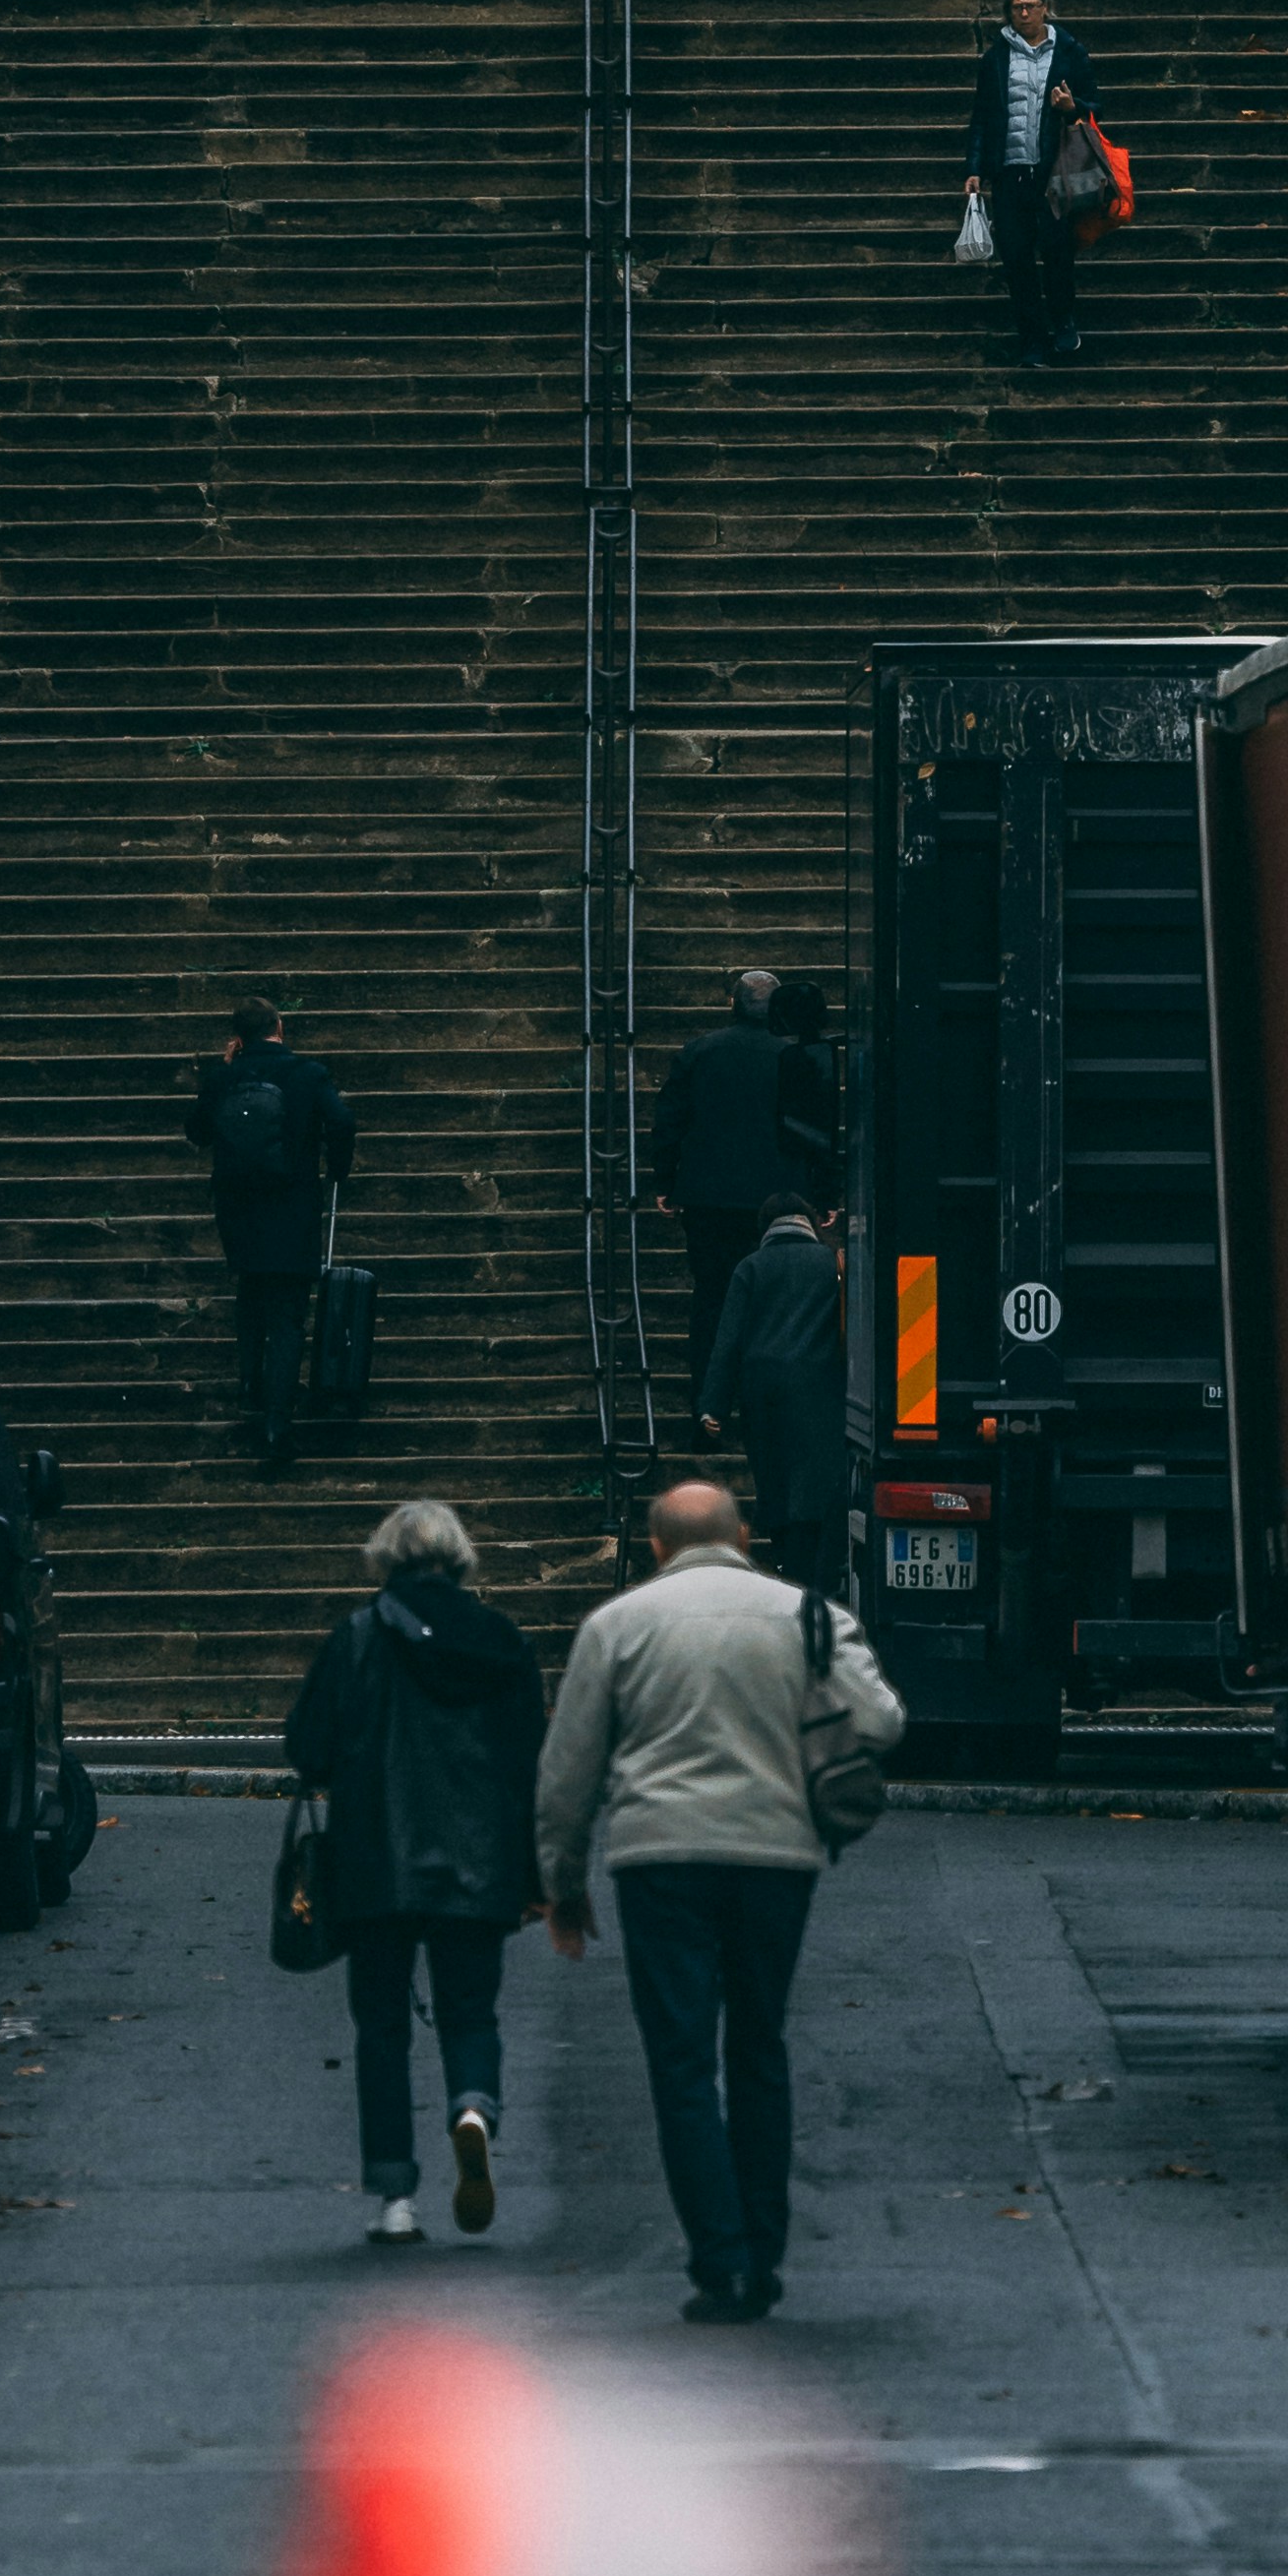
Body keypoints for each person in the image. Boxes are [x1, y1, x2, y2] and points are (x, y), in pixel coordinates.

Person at [535, 1480, 902, 2322]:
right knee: (759, 2044)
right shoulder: (807, 1614)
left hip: (657, 1855)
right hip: (777, 1851)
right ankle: (765, 2251)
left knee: (681, 2059)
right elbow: (881, 1721)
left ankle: (721, 2260)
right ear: (743, 1534)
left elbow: (567, 1773)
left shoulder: (616, 1626)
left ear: (658, 1546)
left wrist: (561, 1881)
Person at [280, 1500, 546, 2249]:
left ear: (385, 1558)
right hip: (480, 1861)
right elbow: (531, 1763)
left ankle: (395, 2198)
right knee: (470, 2011)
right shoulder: (500, 1640)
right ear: (460, 1559)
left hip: (376, 1861)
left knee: (382, 2027)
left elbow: (308, 1746)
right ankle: (472, 2106)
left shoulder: (359, 1637)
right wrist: (536, 1875)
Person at [188, 993, 356, 1474]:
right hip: (292, 1207)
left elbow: (197, 1132)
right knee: (286, 1315)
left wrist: (228, 1071)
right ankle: (277, 1423)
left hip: (237, 1210)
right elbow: (342, 1121)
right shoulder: (307, 1073)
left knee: (251, 1292)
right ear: (279, 1027)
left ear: (238, 1038)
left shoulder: (223, 1076)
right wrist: (336, 1170)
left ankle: (250, 1385)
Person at [644, 965, 818, 1396]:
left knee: (711, 1302)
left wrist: (665, 1179)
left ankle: (705, 1411)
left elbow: (669, 1122)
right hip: (778, 1203)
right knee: (778, 1306)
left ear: (731, 1004)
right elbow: (817, 1131)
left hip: (709, 1200)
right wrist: (824, 1195)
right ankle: (765, 1410)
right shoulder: (795, 1057)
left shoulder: (699, 1052)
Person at [703, 1185, 854, 1600]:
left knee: (775, 1479)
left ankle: (787, 1563)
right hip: (822, 1386)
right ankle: (818, 1577)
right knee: (820, 1479)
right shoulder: (833, 1262)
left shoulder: (750, 1267)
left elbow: (727, 1339)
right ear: (809, 1221)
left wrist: (713, 1404)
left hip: (762, 1391)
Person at [961, 0, 1103, 371]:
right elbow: (983, 116)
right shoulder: (995, 58)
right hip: (1009, 174)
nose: (1023, 14)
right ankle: (1032, 341)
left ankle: (1063, 321)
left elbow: (1095, 104)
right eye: (1016, 7)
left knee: (1058, 253)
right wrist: (975, 167)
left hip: (1053, 172)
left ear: (1045, 7)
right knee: (1018, 259)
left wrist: (1070, 107)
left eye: (1031, 6)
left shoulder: (1069, 51)